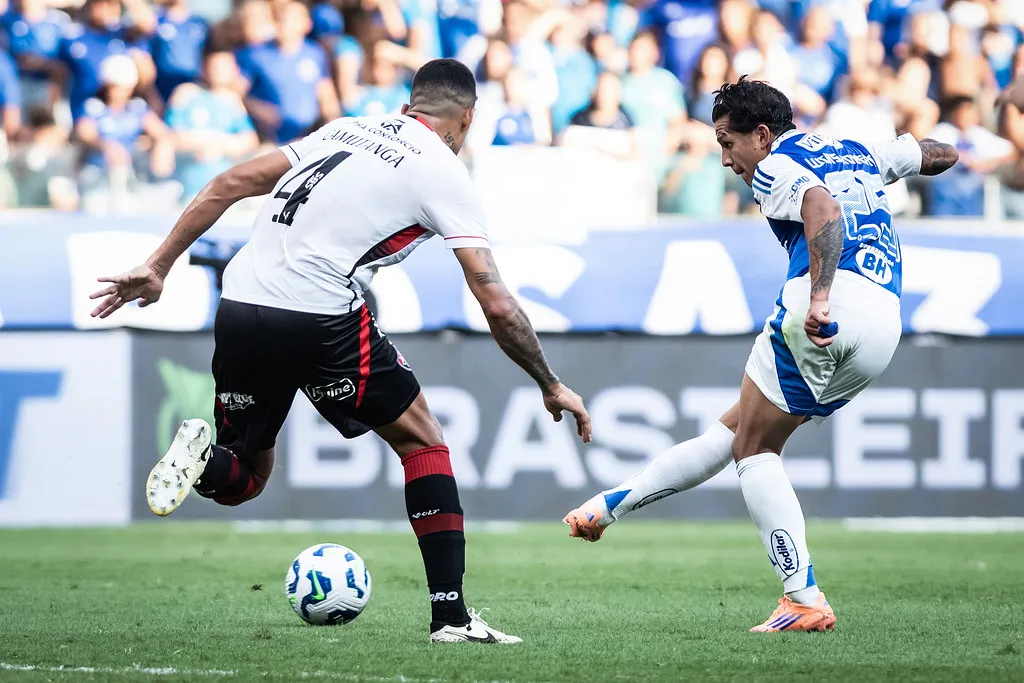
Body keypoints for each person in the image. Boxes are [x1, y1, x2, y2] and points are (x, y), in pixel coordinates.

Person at [89, 58, 591, 645]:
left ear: (409, 105)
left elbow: (229, 184)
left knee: (245, 476)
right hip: (319, 314)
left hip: (241, 301)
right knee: (422, 440)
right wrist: (549, 382)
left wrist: (157, 266)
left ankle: (201, 459)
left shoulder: (345, 128)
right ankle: (450, 618)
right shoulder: (445, 173)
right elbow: (497, 303)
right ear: (466, 119)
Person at [564, 76, 958, 632]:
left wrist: (820, 298)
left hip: (824, 308)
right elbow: (941, 153)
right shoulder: (854, 150)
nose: (726, 159)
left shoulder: (774, 165)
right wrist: (908, 158)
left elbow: (821, 208)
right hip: (883, 322)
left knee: (753, 448)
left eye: (728, 143)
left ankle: (802, 597)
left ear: (763, 134)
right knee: (736, 431)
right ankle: (607, 508)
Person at [235, 1, 339, 143]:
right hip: (269, 139)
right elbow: (235, 95)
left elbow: (325, 93)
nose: (284, 23)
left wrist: (332, 123)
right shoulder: (256, 54)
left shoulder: (315, 53)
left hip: (307, 137)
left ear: (307, 24)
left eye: (290, 19)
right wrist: (259, 110)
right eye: (281, 18)